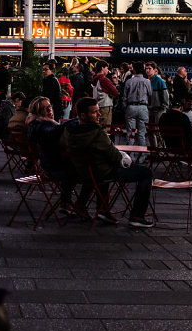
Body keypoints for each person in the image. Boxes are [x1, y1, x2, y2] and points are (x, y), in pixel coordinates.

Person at [61, 97, 155, 227]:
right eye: (95, 112)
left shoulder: (68, 131)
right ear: (83, 115)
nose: (99, 114)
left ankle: (103, 209)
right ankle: (137, 215)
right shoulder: (96, 132)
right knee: (146, 172)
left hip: (82, 171)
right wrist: (124, 159)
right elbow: (114, 155)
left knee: (100, 164)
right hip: (101, 172)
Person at [121, 61, 152, 156]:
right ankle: (142, 156)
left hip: (131, 107)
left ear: (134, 69)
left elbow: (124, 97)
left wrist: (124, 108)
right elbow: (150, 95)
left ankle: (130, 156)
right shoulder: (147, 82)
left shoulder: (129, 81)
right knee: (142, 134)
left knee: (130, 134)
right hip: (143, 107)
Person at [92, 60, 119, 127]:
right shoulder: (104, 79)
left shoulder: (95, 79)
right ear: (102, 68)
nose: (107, 70)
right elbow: (115, 92)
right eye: (107, 68)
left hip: (97, 105)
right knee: (105, 129)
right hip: (105, 107)